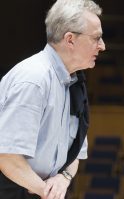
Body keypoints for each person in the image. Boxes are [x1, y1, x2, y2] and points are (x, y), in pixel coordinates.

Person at [0, 0, 105, 198]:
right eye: (96, 38)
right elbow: (7, 156)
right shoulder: (34, 80)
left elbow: (75, 154)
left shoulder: (74, 82)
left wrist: (63, 178)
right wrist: (47, 192)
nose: (102, 46)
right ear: (70, 39)